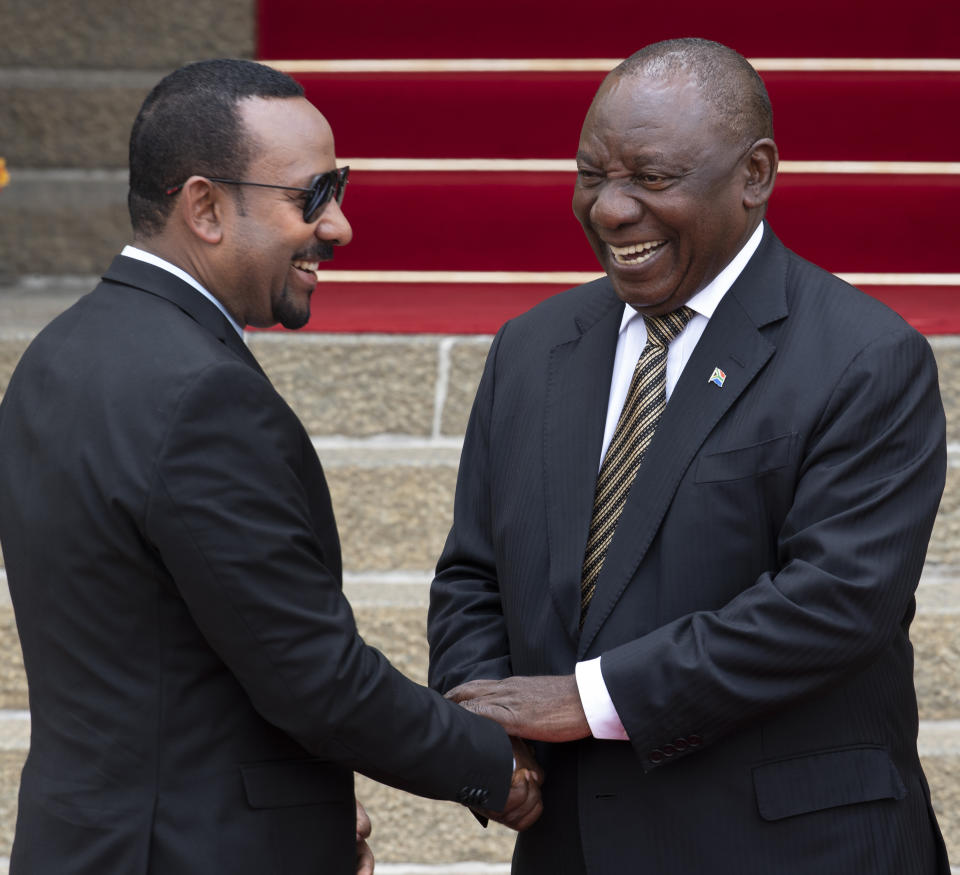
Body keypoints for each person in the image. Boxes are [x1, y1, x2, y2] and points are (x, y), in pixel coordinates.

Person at [0, 58, 542, 875]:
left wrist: (306, 810)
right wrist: (495, 770)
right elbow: (314, 676)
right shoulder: (202, 395)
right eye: (312, 195)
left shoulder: (57, 352)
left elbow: (162, 648)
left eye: (341, 187)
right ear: (206, 207)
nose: (340, 225)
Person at [427, 38, 951, 874]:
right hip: (576, 845)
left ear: (755, 175)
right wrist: (490, 731)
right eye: (592, 174)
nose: (609, 208)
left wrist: (588, 700)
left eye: (652, 178)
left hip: (789, 846)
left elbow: (835, 603)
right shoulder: (530, 349)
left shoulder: (865, 356)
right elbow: (472, 575)